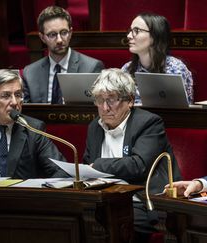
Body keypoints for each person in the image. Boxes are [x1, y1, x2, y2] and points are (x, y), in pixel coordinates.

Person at [82, 68, 182, 242]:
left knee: (111, 222)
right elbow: (87, 167)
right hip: (104, 201)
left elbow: (139, 165)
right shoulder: (94, 127)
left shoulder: (149, 123)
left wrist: (98, 166)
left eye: (111, 100)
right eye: (100, 100)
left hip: (142, 202)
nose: (105, 108)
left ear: (129, 101)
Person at [23, 6, 104, 104]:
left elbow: (98, 108)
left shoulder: (91, 68)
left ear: (70, 33)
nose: (59, 40)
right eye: (52, 35)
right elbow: (26, 112)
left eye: (64, 33)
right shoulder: (30, 72)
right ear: (42, 37)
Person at [122, 12, 194, 104]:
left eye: (136, 31)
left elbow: (182, 111)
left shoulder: (175, 68)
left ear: (155, 36)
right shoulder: (126, 69)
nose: (129, 36)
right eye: (130, 30)